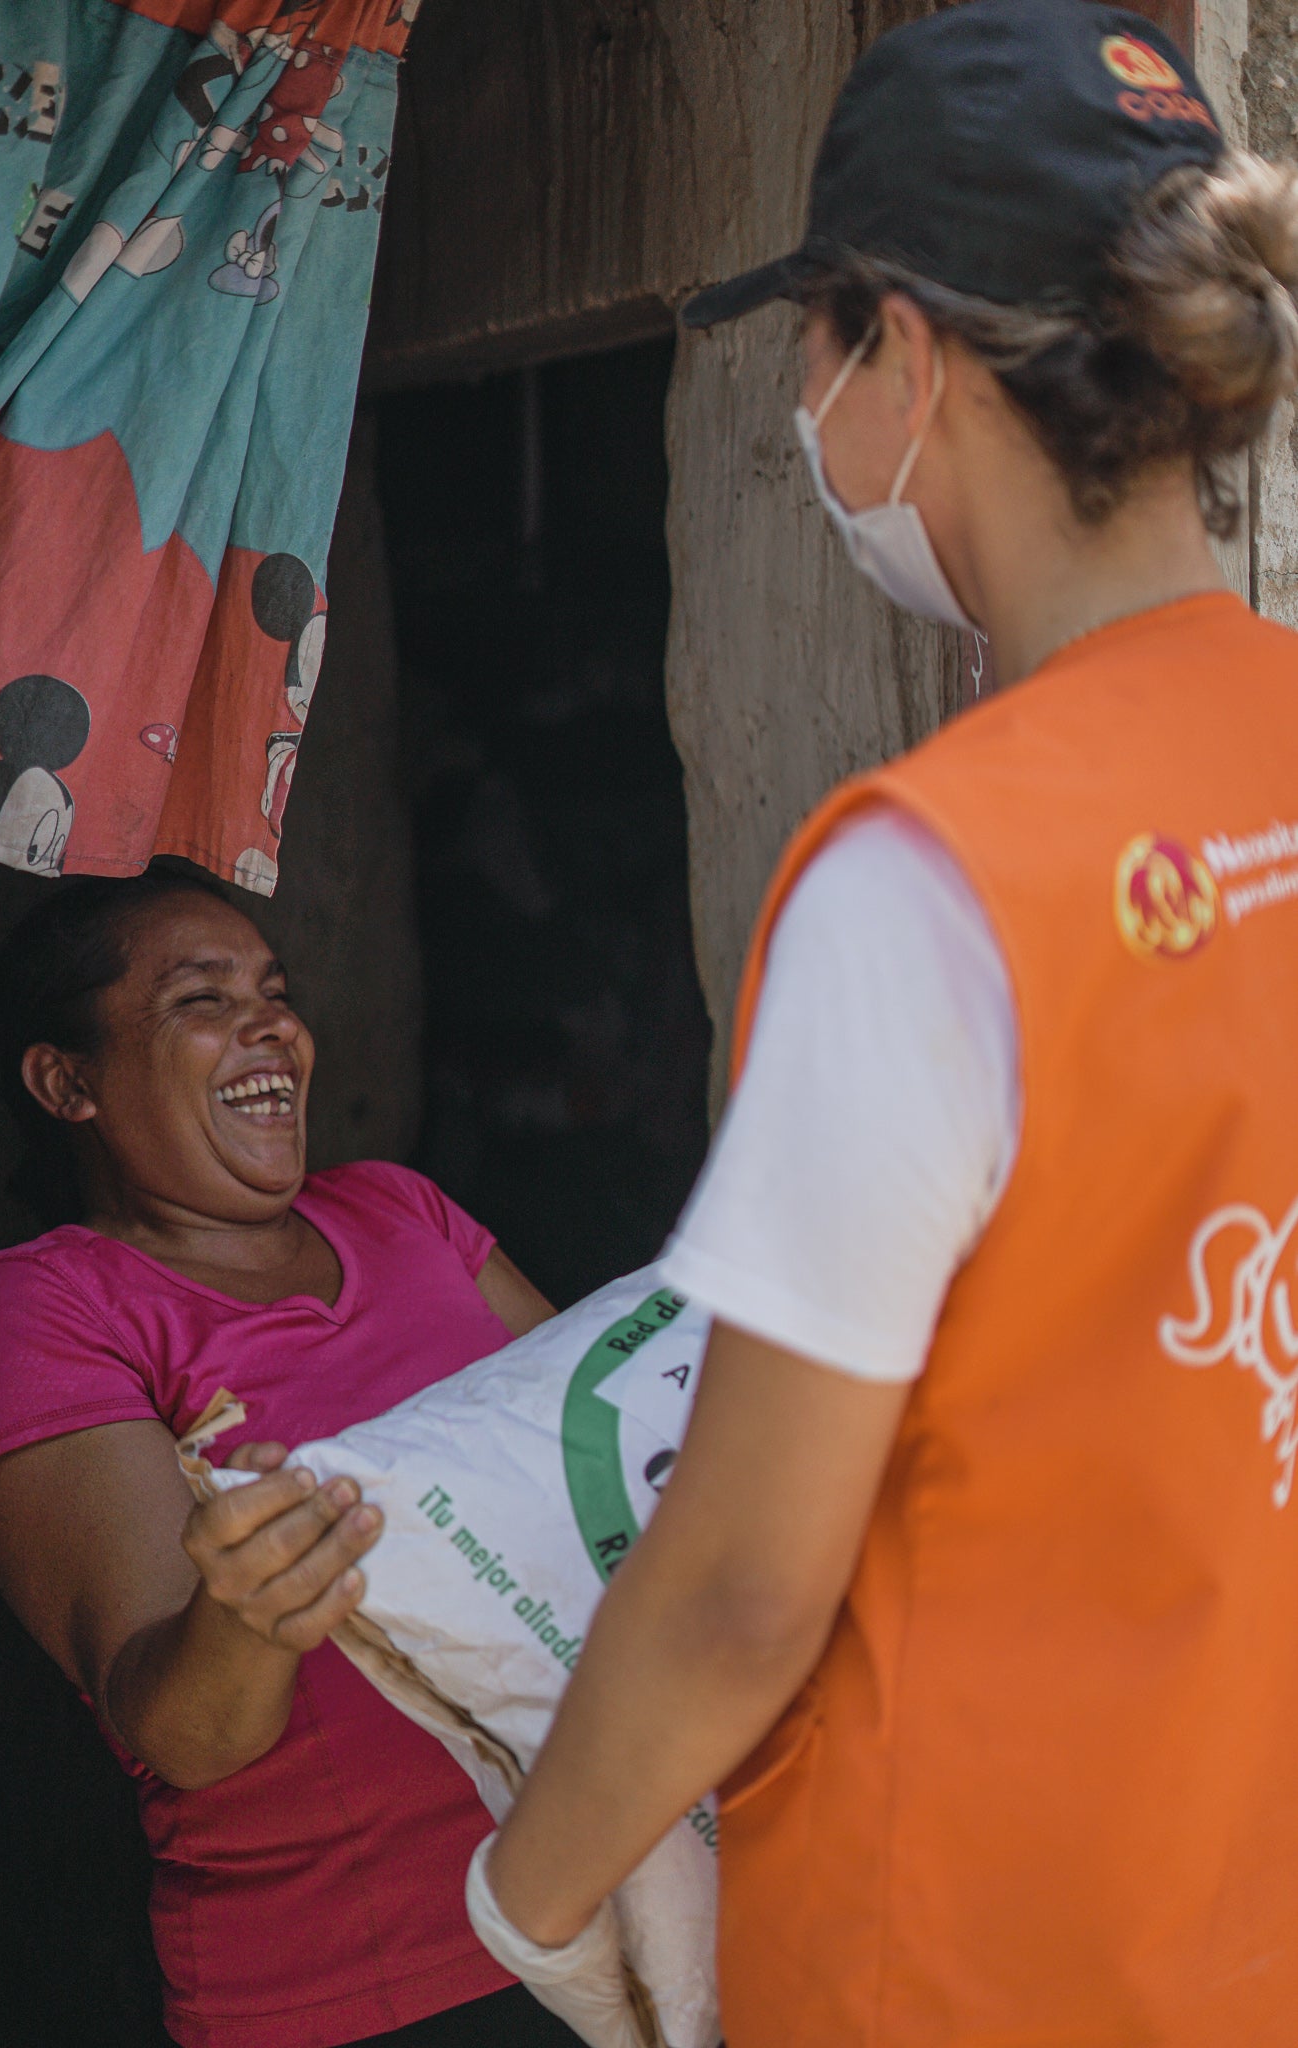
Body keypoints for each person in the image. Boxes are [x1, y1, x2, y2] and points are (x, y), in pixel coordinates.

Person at [462, 6, 1298, 2044]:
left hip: (963, 1963)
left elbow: (744, 1585)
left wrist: (529, 1893)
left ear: (903, 354)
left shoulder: (926, 879)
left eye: (809, 347)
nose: (806, 404)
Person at [0, 866, 579, 2048]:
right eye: (203, 999)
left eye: (274, 992)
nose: (271, 1022)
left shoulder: (402, 1211)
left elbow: (598, 1457)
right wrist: (250, 1613)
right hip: (372, 1981)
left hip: (621, 1895)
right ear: (67, 1081)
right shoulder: (50, 1308)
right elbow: (181, 1734)